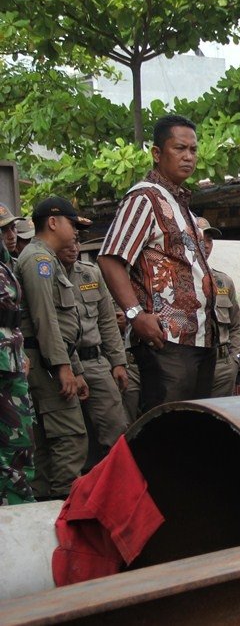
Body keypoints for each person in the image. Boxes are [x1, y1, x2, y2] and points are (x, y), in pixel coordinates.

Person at [98, 114, 217, 412]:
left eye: (193, 149)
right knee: (166, 430)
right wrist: (136, 315)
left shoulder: (181, 205)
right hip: (166, 340)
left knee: (193, 430)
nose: (188, 156)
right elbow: (110, 258)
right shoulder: (144, 198)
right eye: (179, 148)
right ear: (156, 153)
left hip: (199, 340)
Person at [16, 197, 91, 499]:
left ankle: (49, 505)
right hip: (46, 366)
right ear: (53, 222)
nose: (75, 231)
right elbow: (44, 318)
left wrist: (76, 369)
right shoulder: (39, 261)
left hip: (51, 362)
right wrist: (62, 368)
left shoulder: (48, 259)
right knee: (70, 439)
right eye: (72, 223)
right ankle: (62, 507)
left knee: (49, 445)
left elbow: (63, 324)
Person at [57, 239, 128, 467]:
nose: (73, 247)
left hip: (97, 362)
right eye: (67, 242)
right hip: (63, 365)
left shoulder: (91, 273)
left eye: (76, 241)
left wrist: (118, 362)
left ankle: (117, 487)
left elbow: (107, 321)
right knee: (72, 438)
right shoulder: (44, 273)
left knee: (117, 430)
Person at [0, 229, 33, 505]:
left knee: (20, 446)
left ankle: (18, 509)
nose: (9, 235)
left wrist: (19, 349)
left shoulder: (6, 262)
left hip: (10, 362)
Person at [195, 217, 240, 397]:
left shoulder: (224, 281)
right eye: (202, 238)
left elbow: (236, 325)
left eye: (209, 240)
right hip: (192, 364)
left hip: (222, 365)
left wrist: (234, 361)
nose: (206, 245)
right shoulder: (175, 282)